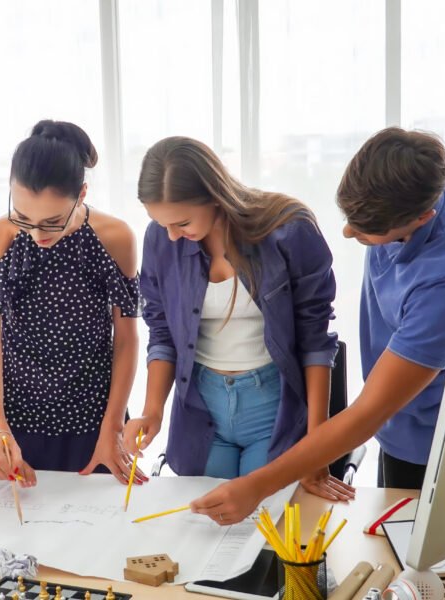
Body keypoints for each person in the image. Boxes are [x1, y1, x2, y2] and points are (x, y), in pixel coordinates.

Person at [189, 127, 445, 524]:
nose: (347, 232)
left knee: (419, 556)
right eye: (349, 218)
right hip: (395, 424)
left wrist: (257, 486)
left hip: (435, 439)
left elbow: (368, 411)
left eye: (366, 230)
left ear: (424, 216)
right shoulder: (413, 176)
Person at [123, 136, 353, 501]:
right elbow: (162, 331)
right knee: (208, 531)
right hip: (201, 409)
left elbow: (315, 342)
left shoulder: (290, 231)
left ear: (214, 195)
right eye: (160, 223)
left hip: (271, 409)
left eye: (181, 222)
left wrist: (316, 447)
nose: (171, 235)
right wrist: (153, 411)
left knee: (265, 528)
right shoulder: (160, 239)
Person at [0, 120, 144, 488]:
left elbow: (126, 340)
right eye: (23, 217)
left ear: (81, 193)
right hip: (17, 425)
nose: (36, 234)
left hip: (95, 421)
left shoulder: (115, 238)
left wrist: (112, 429)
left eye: (51, 222)